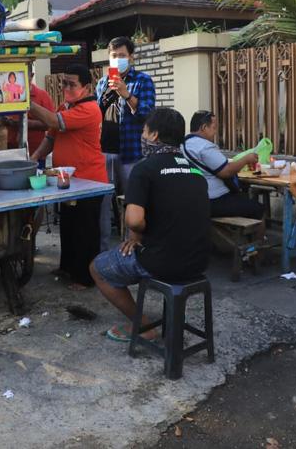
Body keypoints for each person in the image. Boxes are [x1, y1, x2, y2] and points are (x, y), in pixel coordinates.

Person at [89, 108, 210, 342]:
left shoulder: (144, 168)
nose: (142, 136)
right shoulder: (195, 170)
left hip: (162, 262)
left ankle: (144, 326)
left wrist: (136, 236)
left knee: (97, 268)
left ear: (154, 135)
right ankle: (167, 317)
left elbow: (134, 220)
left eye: (144, 131)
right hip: (199, 261)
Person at [30, 64, 107, 290]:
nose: (66, 88)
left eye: (72, 84)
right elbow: (51, 137)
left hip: (90, 180)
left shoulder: (90, 109)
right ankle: (67, 268)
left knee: (86, 231)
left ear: (87, 87)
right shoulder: (66, 106)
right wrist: (34, 158)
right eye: (64, 83)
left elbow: (54, 122)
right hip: (68, 180)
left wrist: (26, 103)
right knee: (69, 225)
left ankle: (85, 278)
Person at [96, 36, 155, 251]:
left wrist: (126, 94)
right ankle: (103, 250)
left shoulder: (142, 81)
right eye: (114, 56)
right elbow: (96, 114)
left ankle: (133, 248)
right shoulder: (102, 82)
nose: (117, 59)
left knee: (133, 202)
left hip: (132, 153)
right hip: (105, 151)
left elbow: (148, 114)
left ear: (131, 57)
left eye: (122, 55)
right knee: (102, 203)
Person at [182, 110, 264, 220]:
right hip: (214, 200)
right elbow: (226, 171)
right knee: (258, 208)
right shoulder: (204, 146)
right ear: (204, 127)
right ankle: (260, 232)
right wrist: (246, 159)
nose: (215, 132)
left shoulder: (184, 144)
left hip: (196, 199)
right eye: (214, 127)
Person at [0, 67, 56, 154]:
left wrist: (24, 123)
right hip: (11, 149)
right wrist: (6, 120)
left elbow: (51, 125)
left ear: (31, 76)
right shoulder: (7, 95)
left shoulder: (42, 95)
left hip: (36, 151)